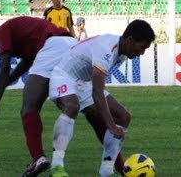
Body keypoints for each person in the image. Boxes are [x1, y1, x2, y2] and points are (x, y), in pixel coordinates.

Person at [0, 16, 77, 177]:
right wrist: (5, 83)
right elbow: (26, 63)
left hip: (53, 46)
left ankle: (38, 157)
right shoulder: (25, 35)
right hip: (73, 45)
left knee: (29, 107)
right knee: (89, 107)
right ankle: (115, 165)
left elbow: (4, 64)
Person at [48, 19, 155, 177]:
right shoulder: (107, 49)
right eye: (142, 47)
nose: (142, 53)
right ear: (130, 40)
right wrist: (111, 126)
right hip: (64, 75)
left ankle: (106, 171)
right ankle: (56, 166)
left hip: (84, 83)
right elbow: (97, 93)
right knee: (72, 106)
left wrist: (112, 122)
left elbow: (95, 88)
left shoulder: (122, 51)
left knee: (123, 116)